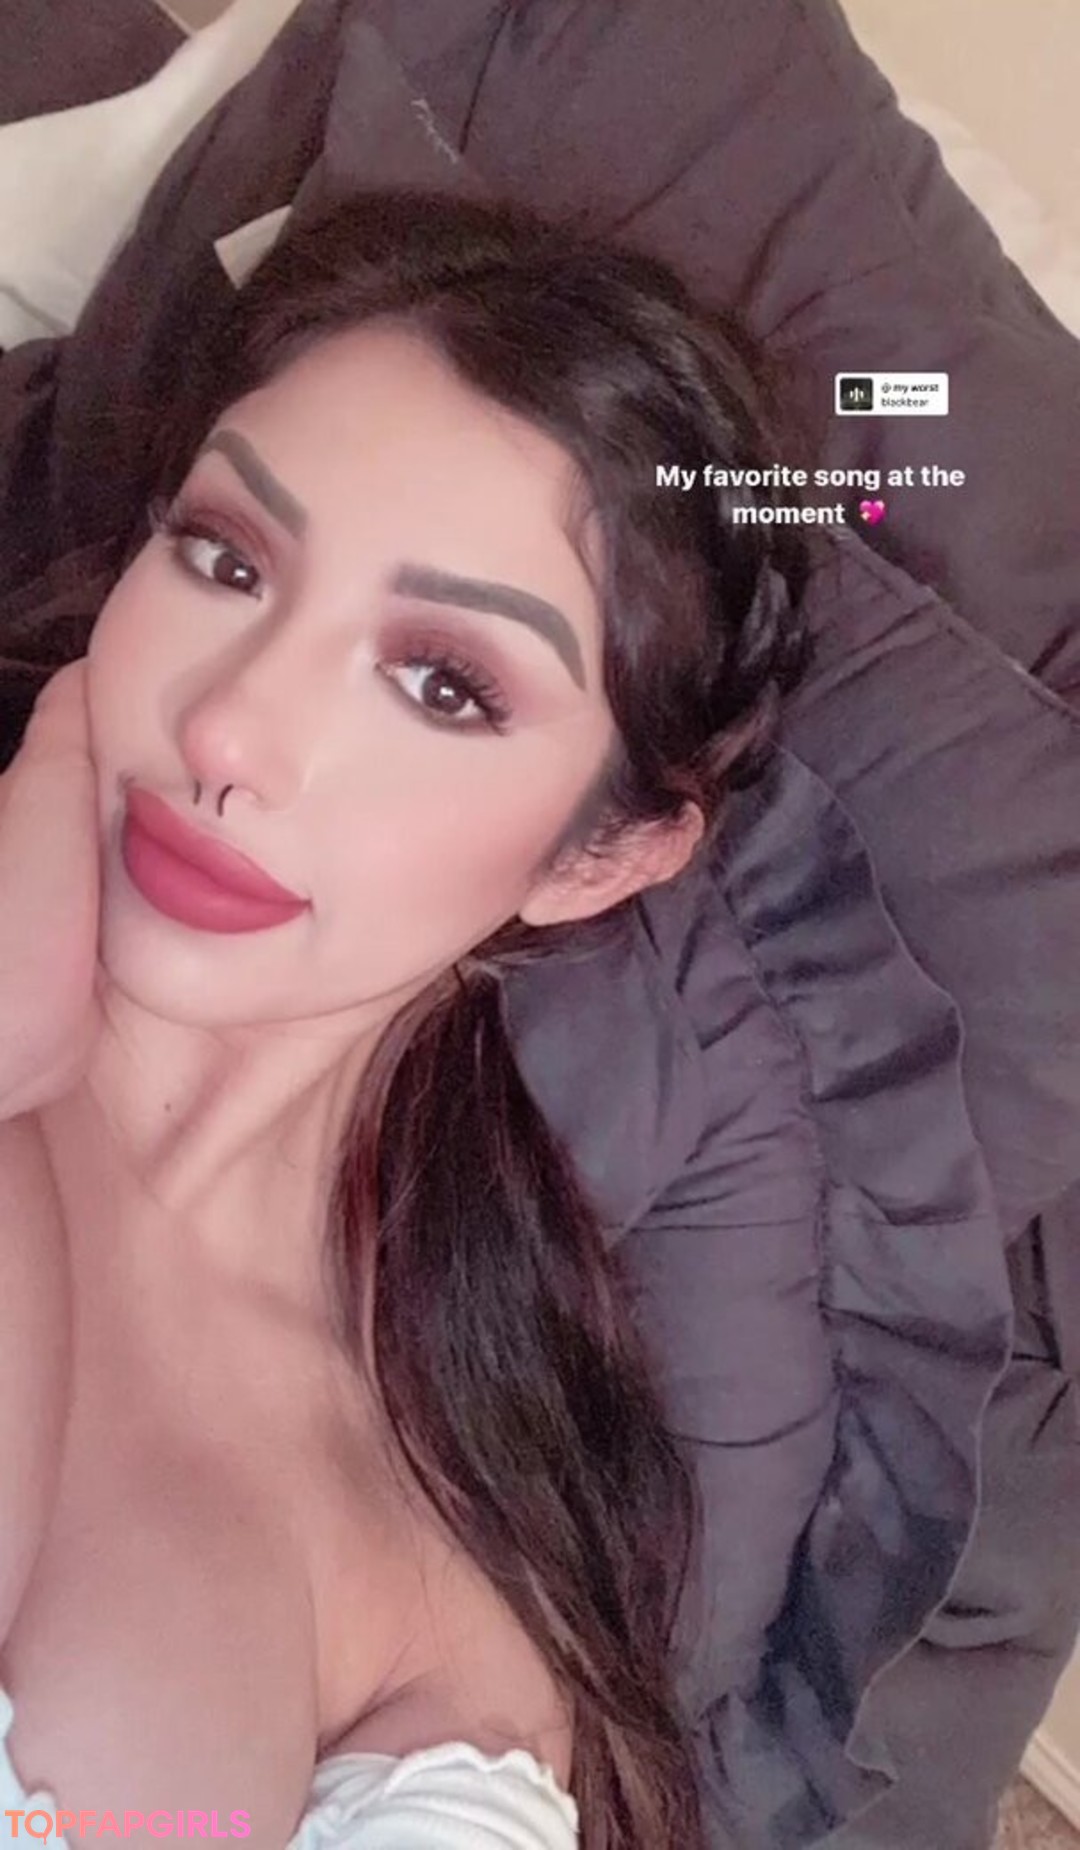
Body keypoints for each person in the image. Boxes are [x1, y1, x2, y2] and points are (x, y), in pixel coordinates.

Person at [0, 189, 814, 1849]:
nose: (231, 729)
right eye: (225, 557)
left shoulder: (454, 1583)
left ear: (598, 856)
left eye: (443, 682)